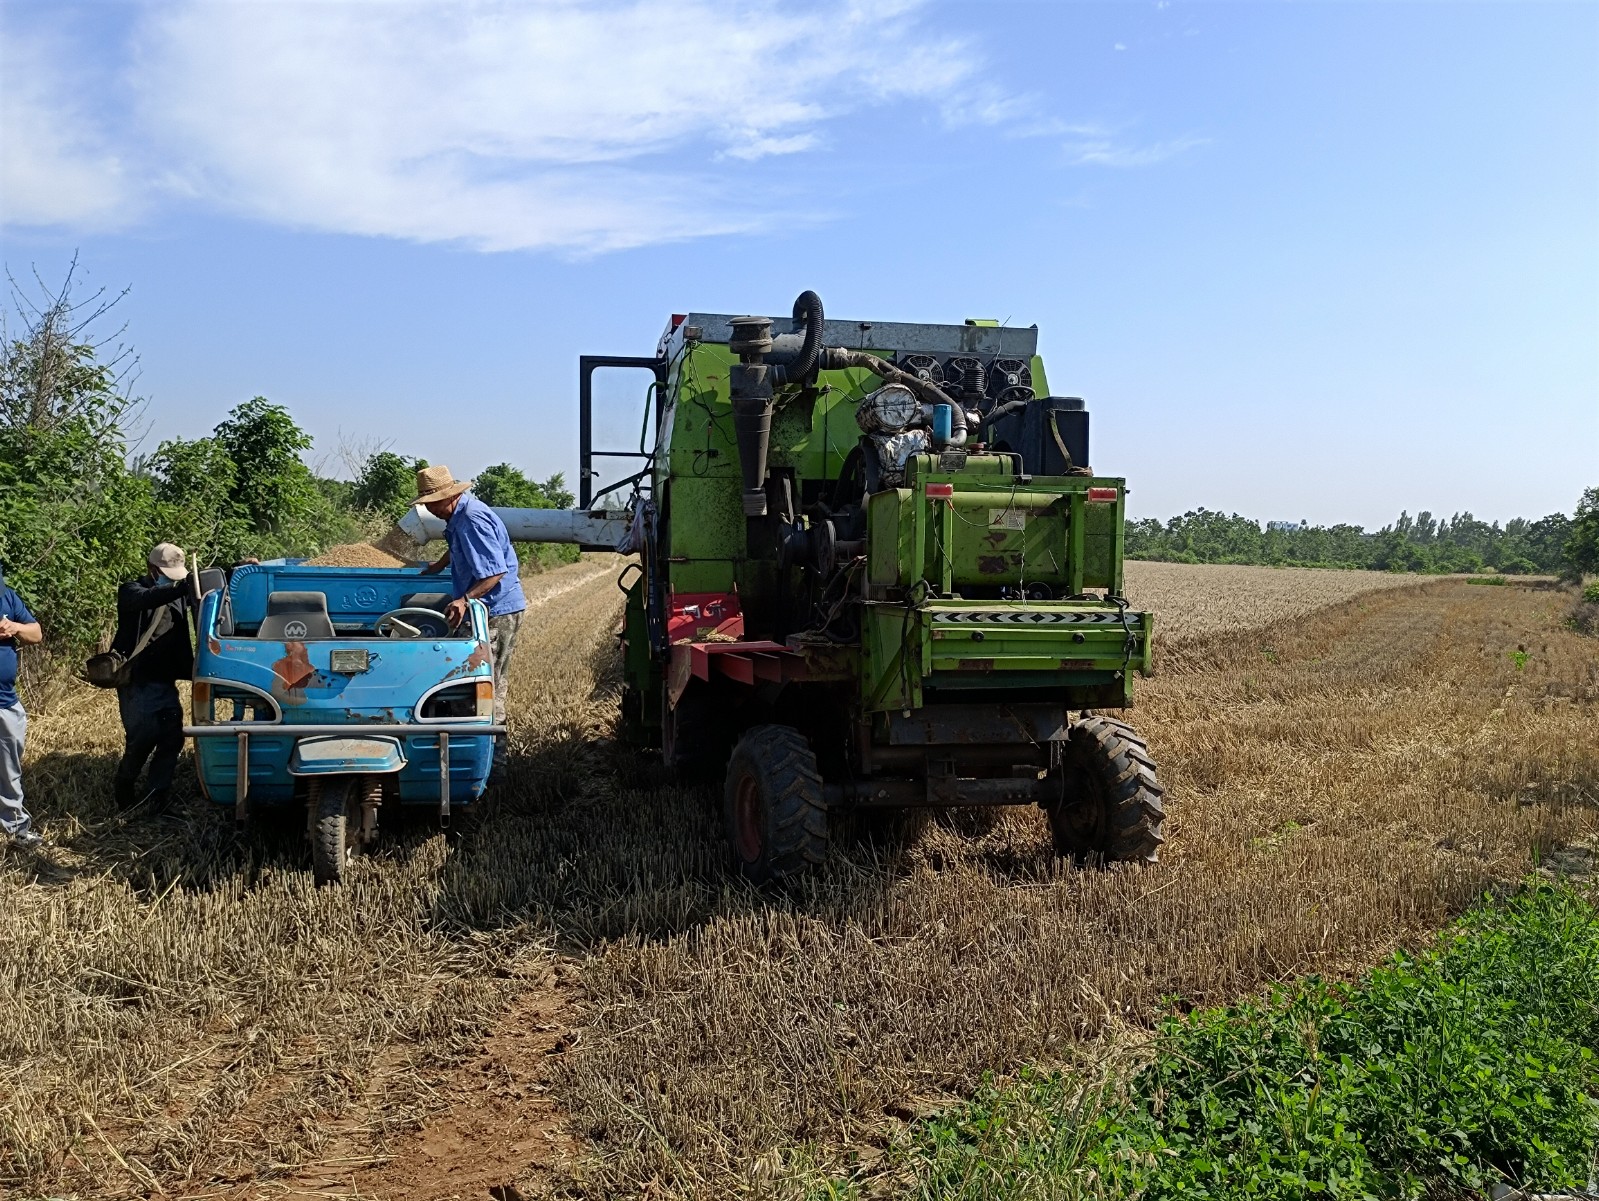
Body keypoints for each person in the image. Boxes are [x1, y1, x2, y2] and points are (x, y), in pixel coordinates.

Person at [416, 466, 526, 755]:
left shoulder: (473, 519)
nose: (429, 509)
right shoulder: (458, 517)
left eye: (431, 503)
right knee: (471, 685)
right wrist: (439, 566)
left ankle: (493, 759)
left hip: (496, 610)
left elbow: (494, 573)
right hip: (484, 608)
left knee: (486, 686)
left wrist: (464, 600)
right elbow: (458, 546)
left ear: (448, 496)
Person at [112, 543, 194, 810]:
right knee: (142, 738)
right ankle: (124, 788)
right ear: (152, 569)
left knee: (172, 738)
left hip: (165, 681)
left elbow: (213, 583)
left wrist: (240, 566)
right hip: (138, 682)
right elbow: (147, 599)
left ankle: (156, 796)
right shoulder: (131, 591)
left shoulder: (178, 592)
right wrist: (180, 587)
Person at [0, 562, 44, 847]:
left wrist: (14, 627)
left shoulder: (7, 596)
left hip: (6, 702)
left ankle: (16, 829)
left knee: (9, 770)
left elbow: (36, 633)